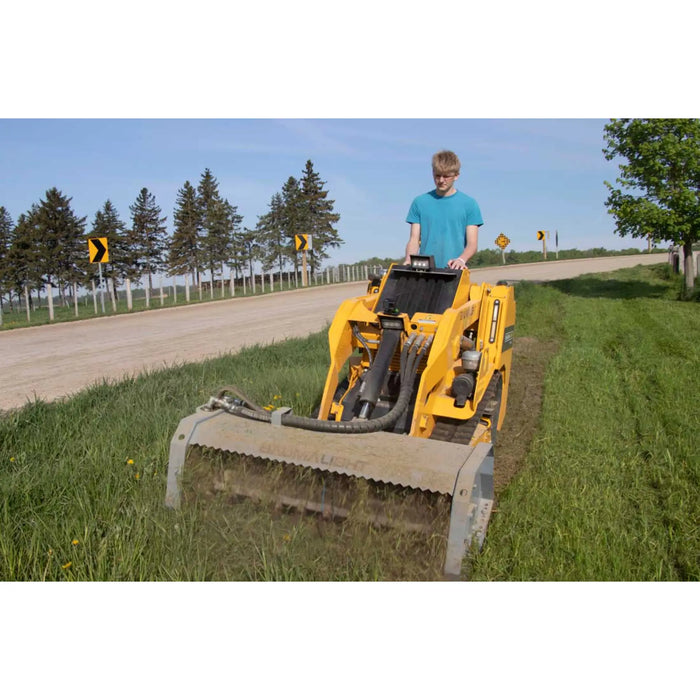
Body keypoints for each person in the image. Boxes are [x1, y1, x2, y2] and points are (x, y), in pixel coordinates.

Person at [404, 150, 483, 270]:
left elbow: (472, 244)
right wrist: (409, 259)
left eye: (446, 176)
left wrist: (461, 260)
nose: (441, 180)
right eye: (437, 175)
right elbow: (414, 239)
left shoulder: (469, 204)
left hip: (454, 271)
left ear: (456, 175)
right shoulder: (420, 202)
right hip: (425, 271)